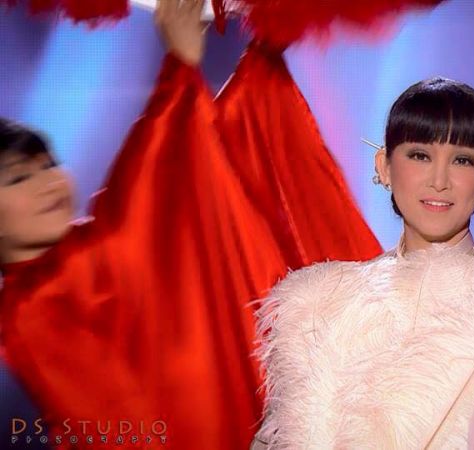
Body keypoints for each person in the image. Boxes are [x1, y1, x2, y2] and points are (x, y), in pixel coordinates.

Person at [1, 0, 383, 448]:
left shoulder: (81, 248)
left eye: (49, 164)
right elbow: (136, 218)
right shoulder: (29, 308)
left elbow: (193, 181)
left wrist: (257, 72)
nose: (48, 182)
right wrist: (178, 72)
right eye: (19, 178)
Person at [251, 77, 474, 449]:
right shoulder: (323, 305)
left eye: (462, 160)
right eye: (420, 155)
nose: (439, 181)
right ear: (384, 165)